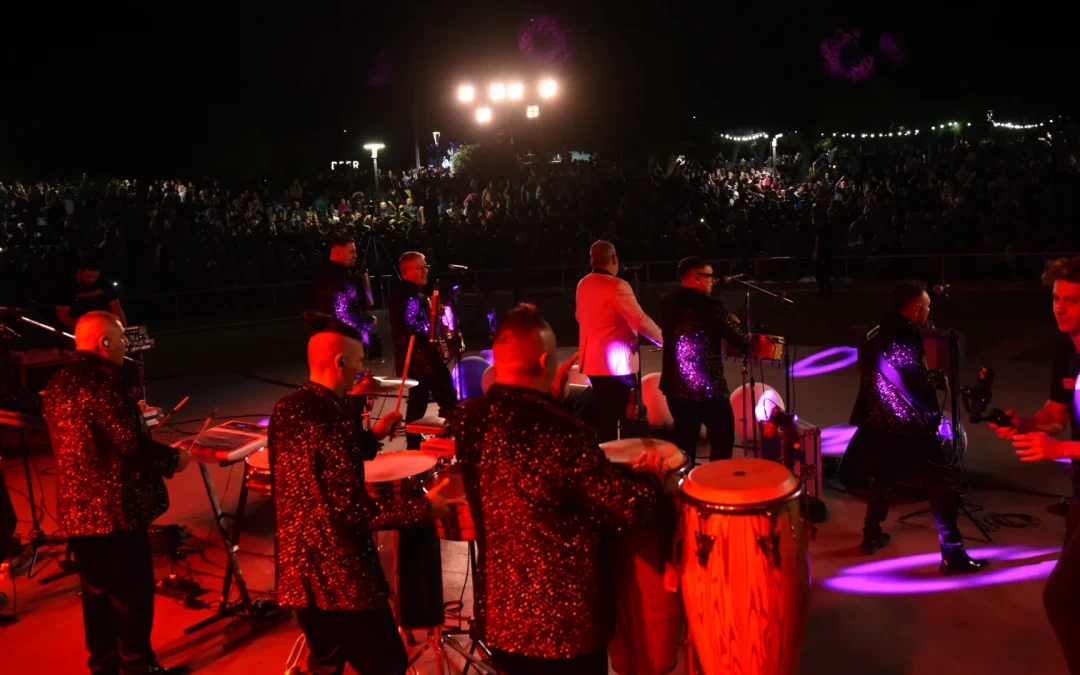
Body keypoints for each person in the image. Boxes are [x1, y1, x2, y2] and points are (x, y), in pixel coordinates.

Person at [450, 303, 668, 675]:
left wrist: (549, 398)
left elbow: (529, 471)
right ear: (544, 361)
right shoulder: (563, 431)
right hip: (565, 630)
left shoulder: (471, 421)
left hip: (502, 619)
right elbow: (628, 507)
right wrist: (653, 482)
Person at [270, 312, 456, 675]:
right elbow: (354, 512)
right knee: (386, 664)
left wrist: (372, 437)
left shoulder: (286, 409)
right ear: (340, 362)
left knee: (325, 663)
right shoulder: (334, 422)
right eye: (358, 361)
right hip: (341, 578)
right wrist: (423, 509)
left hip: (297, 570)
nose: (362, 369)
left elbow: (321, 465)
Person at [41, 311, 192, 675]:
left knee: (96, 595)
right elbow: (129, 445)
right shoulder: (103, 382)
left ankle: (104, 664)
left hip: (76, 510)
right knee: (131, 595)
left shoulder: (58, 382)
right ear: (103, 343)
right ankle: (139, 666)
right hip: (113, 510)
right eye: (122, 338)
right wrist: (174, 458)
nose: (126, 345)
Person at [848, 280, 989, 574]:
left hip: (877, 421)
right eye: (926, 306)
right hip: (908, 425)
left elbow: (885, 374)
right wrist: (933, 411)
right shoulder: (906, 333)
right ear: (914, 308)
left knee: (883, 478)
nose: (928, 312)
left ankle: (871, 534)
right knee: (940, 483)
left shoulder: (877, 331)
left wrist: (931, 377)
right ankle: (953, 554)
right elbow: (912, 378)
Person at [990, 257, 1080, 672]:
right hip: (1078, 495)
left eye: (1072, 300)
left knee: (1062, 598)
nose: (1059, 308)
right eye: (1056, 299)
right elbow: (1056, 414)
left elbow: (1061, 439)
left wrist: (1060, 450)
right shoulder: (1068, 356)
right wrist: (1023, 424)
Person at [659, 257, 748, 466]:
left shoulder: (666, 302)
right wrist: (732, 322)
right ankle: (715, 484)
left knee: (684, 444)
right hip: (708, 390)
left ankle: (685, 488)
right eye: (710, 277)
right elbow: (739, 339)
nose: (714, 281)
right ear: (696, 278)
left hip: (675, 387)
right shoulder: (711, 307)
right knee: (722, 436)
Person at [575, 240, 662, 442]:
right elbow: (640, 321)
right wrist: (663, 340)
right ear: (614, 258)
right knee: (631, 417)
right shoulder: (617, 285)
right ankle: (629, 464)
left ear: (591, 260)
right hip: (617, 367)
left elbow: (580, 316)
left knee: (605, 418)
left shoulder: (583, 284)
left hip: (593, 364)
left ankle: (607, 460)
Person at [388, 251, 458, 449]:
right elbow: (412, 326)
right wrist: (437, 326)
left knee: (419, 403)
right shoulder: (409, 295)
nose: (425, 271)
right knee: (447, 397)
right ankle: (444, 442)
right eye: (420, 268)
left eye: (426, 266)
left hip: (416, 359)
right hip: (422, 359)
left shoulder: (404, 293)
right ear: (406, 272)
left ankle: (416, 445)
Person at [312, 236, 377, 351]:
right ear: (338, 253)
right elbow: (343, 311)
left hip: (327, 336)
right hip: (343, 340)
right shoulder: (341, 278)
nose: (355, 256)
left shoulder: (323, 273)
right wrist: (368, 321)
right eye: (351, 252)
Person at [56, 253, 127, 329]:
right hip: (76, 329)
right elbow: (63, 316)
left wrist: (123, 327)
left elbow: (116, 308)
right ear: (80, 271)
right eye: (88, 276)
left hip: (101, 327)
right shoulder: (66, 285)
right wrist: (83, 329)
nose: (92, 280)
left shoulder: (104, 283)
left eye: (95, 277)